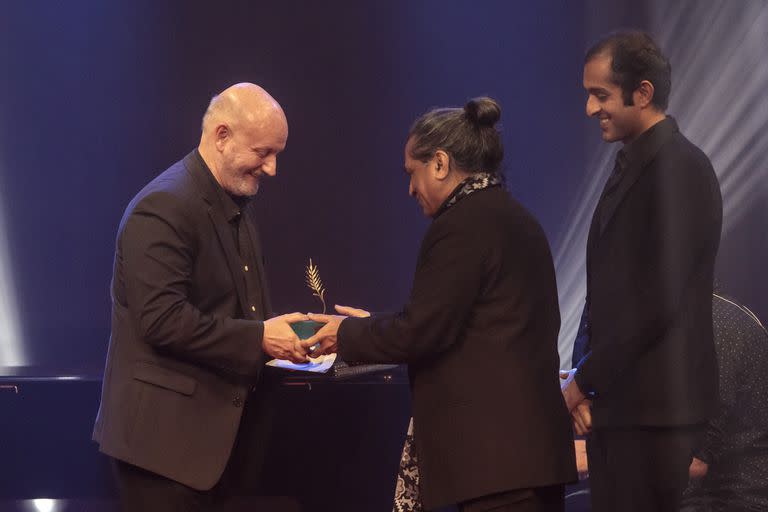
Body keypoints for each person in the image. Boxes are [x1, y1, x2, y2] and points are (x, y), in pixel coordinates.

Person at [306, 97, 577, 511]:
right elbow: (460, 322)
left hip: (494, 465)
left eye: (412, 173)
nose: (410, 188)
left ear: (440, 163)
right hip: (528, 460)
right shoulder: (515, 217)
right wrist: (375, 324)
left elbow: (423, 330)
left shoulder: (461, 224)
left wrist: (346, 334)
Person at [92, 83, 311, 510]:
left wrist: (286, 332)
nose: (272, 169)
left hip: (216, 450)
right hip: (163, 452)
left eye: (277, 154)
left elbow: (238, 313)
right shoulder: (162, 207)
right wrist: (260, 338)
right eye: (263, 152)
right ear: (222, 137)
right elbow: (161, 320)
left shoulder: (235, 203)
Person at [559, 31, 723, 512]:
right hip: (624, 407)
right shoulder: (634, 164)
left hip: (655, 413)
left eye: (600, 95)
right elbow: (606, 290)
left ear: (643, 92)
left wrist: (584, 383)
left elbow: (655, 302)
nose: (590, 109)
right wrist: (586, 379)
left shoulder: (682, 170)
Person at [681, 293, 768, 511]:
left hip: (734, 502)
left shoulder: (714, 327)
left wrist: (603, 458)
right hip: (704, 496)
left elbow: (695, 462)